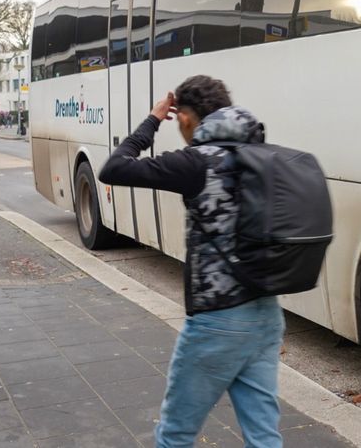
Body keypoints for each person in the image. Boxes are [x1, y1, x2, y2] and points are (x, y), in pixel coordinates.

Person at [99, 75, 283, 448]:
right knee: (264, 437)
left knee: (175, 435)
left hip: (218, 320)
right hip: (266, 315)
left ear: (183, 117)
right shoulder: (263, 153)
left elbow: (113, 168)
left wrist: (152, 120)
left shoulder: (195, 162)